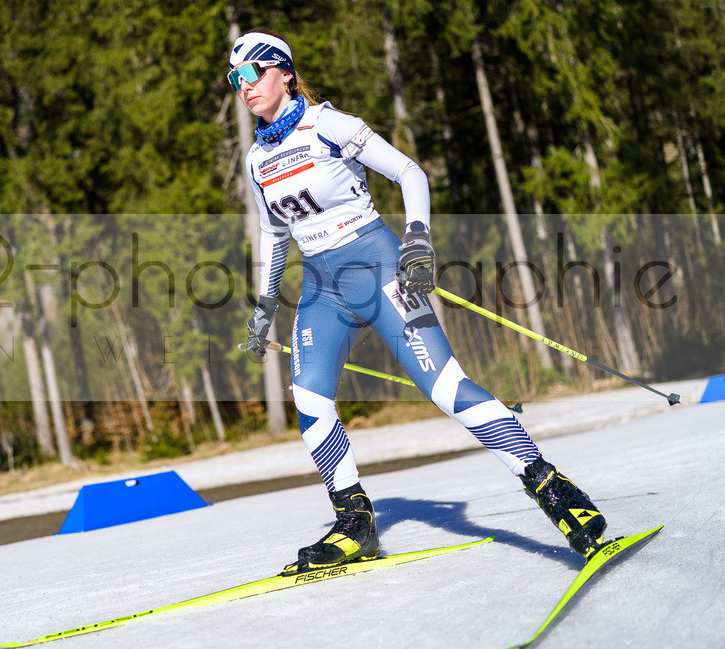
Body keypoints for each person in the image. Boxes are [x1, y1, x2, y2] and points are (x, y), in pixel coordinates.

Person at [230, 30, 607, 573]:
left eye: (252, 73)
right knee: (309, 399)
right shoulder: (256, 158)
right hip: (322, 288)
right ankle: (354, 523)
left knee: (446, 388)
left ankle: (554, 490)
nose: (243, 86)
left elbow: (410, 172)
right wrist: (265, 303)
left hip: (378, 267)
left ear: (284, 73)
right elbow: (274, 233)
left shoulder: (330, 126)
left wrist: (418, 239)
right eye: (235, 79)